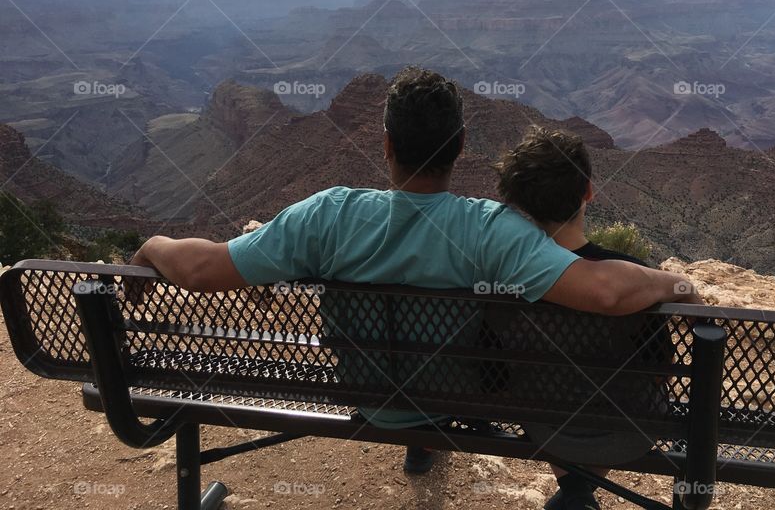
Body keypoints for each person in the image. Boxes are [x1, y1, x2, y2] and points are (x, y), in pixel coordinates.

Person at [129, 66, 701, 501]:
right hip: (453, 401)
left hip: (364, 396)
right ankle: (425, 436)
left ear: (386, 144)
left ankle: (417, 439)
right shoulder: (490, 230)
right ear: (460, 148)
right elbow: (603, 292)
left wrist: (152, 246)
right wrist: (675, 283)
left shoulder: (326, 216)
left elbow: (202, 269)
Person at [495, 126, 697, 510]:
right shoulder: (634, 279)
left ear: (520, 203)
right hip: (629, 431)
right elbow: (659, 370)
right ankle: (579, 491)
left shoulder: (505, 281)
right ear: (588, 191)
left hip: (542, 423)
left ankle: (575, 491)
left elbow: (498, 374)